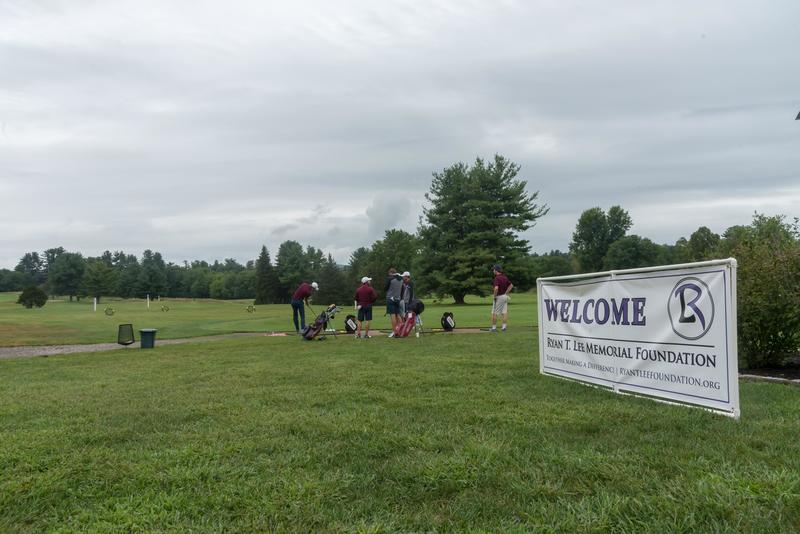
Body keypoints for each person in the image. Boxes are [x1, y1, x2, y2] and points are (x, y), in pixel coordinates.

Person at [491, 265, 513, 332]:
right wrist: (506, 293)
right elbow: (511, 285)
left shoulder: (496, 278)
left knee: (494, 312)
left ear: (496, 270)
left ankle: (494, 328)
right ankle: (504, 328)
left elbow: (496, 288)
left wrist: (494, 296)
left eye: (493, 270)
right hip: (504, 296)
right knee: (504, 312)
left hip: (499, 297)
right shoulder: (505, 277)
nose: (493, 271)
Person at [385, 268, 403, 337]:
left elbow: (385, 288)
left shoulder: (390, 279)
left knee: (392, 315)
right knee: (398, 315)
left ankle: (395, 332)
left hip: (390, 298)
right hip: (397, 298)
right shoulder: (401, 279)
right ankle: (401, 330)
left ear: (391, 273)